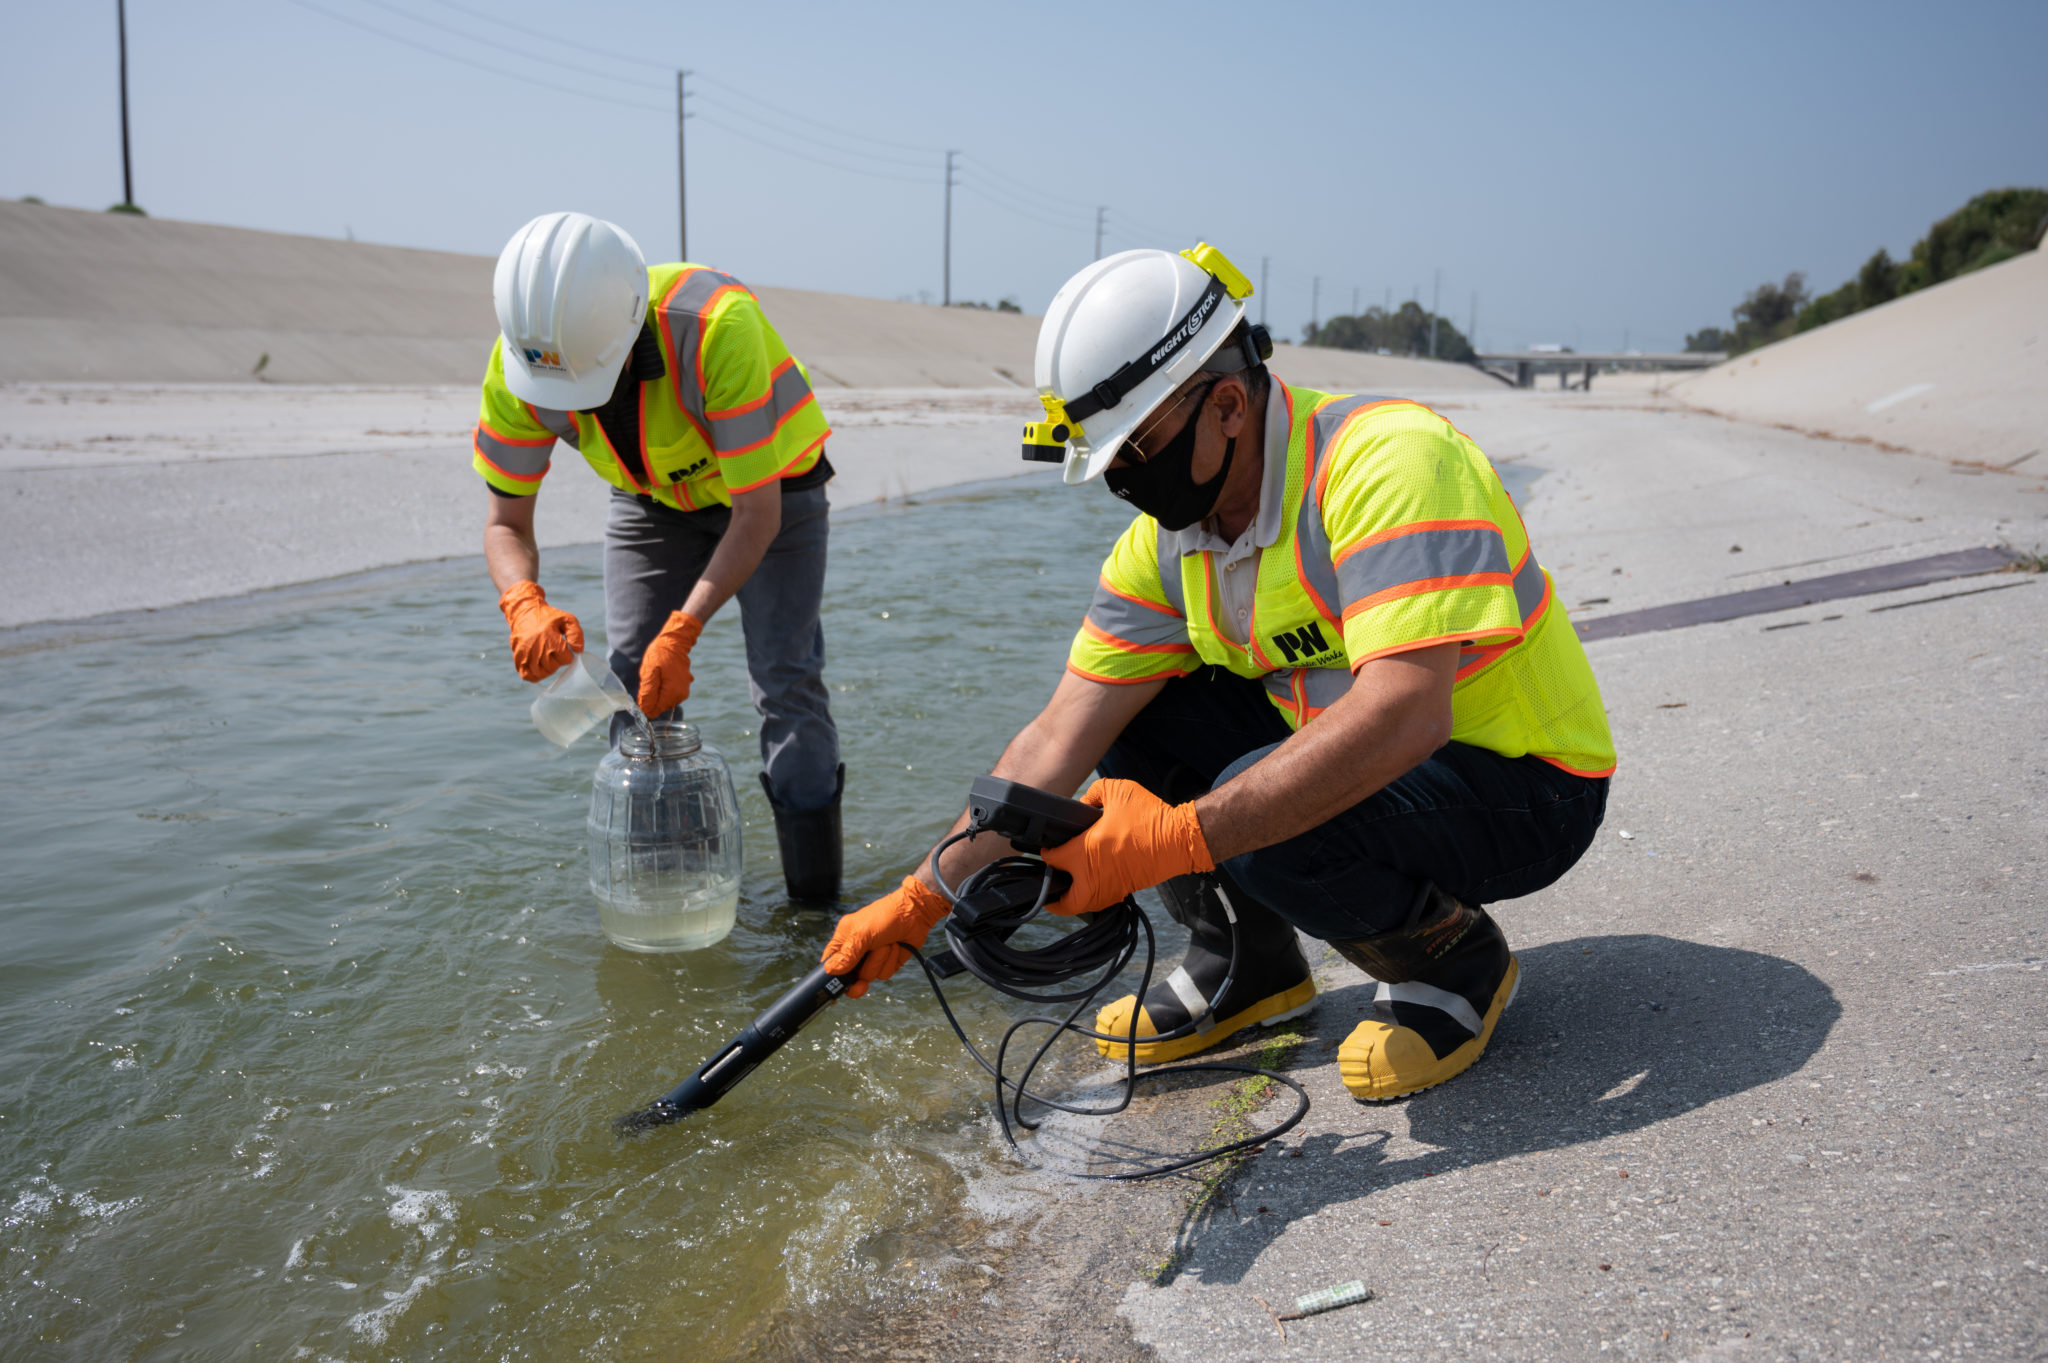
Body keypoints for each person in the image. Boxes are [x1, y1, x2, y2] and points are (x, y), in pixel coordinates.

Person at [820, 244, 1615, 1101]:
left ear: (1229, 405)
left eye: (1138, 448)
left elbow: (1405, 714)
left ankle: (1451, 957)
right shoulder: (1164, 550)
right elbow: (1058, 736)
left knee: (1261, 803)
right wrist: (924, 894)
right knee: (1144, 720)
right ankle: (1250, 963)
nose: (1123, 479)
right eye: (1108, 460)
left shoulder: (1388, 461)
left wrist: (1179, 837)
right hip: (1391, 775)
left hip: (1529, 786)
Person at [474, 212, 844, 902]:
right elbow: (505, 521)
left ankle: (816, 915)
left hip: (777, 495)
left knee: (784, 682)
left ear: (629, 330)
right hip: (651, 501)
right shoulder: (522, 362)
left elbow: (754, 516)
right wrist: (522, 601)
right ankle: (663, 891)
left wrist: (687, 627)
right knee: (632, 680)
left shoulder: (716, 328)